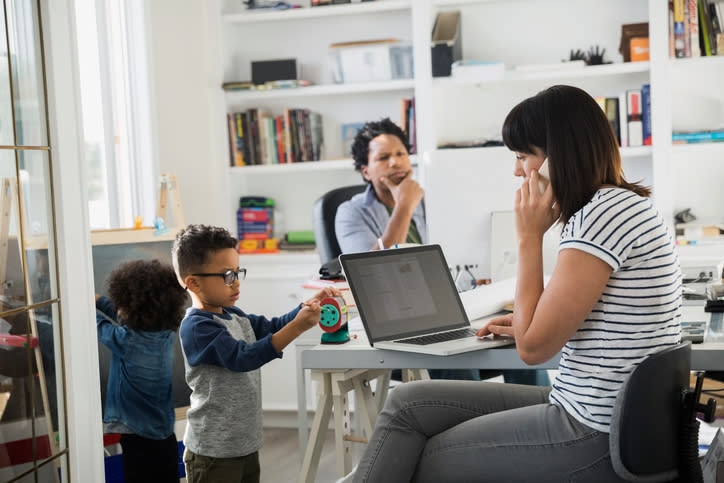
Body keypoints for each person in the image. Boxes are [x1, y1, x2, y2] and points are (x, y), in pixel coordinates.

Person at [351, 85, 682, 482]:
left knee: (424, 455)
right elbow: (572, 320)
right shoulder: (617, 205)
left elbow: (533, 350)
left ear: (558, 155)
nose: (517, 170)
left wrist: (528, 237)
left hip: (595, 430)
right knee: (406, 404)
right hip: (596, 409)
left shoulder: (599, 216)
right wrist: (530, 319)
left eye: (524, 156)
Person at [336, 118, 547, 385]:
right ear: (366, 171)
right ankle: (469, 426)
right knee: (457, 363)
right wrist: (404, 206)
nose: (395, 162)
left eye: (400, 154)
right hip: (399, 320)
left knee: (516, 340)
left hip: (449, 308)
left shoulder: (433, 200)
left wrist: (475, 276)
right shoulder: (350, 212)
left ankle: (535, 418)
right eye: (384, 157)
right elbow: (373, 274)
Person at [172, 224, 339, 483]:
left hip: (244, 442)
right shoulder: (197, 327)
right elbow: (243, 357)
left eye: (238, 273)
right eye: (228, 275)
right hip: (214, 450)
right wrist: (299, 326)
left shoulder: (234, 315)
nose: (236, 282)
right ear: (193, 282)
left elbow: (271, 327)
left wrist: (305, 307)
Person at [95, 259, 189, 483]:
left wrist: (83, 301)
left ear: (133, 307)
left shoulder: (127, 341)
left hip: (138, 439)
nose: (118, 309)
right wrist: (99, 300)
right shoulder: (164, 332)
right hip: (164, 435)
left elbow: (96, 324)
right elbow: (122, 316)